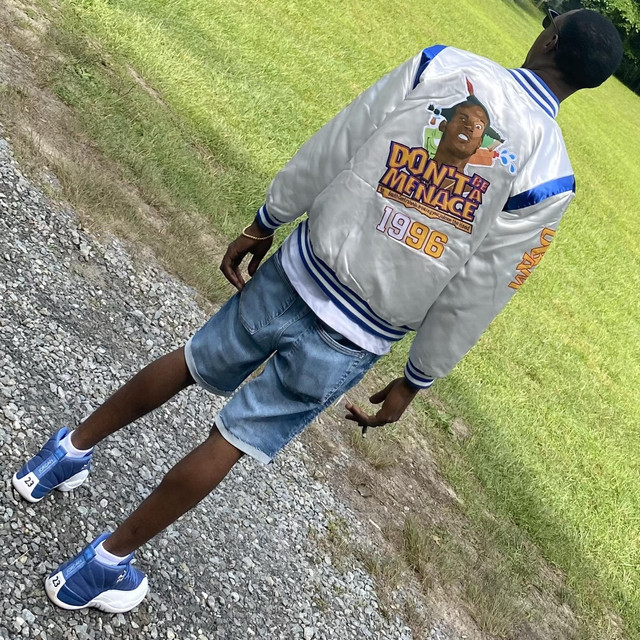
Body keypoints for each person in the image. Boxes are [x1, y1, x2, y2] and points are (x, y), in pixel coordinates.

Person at [12, 8, 622, 612]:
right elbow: (482, 291)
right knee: (234, 437)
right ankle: (100, 567)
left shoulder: (441, 66)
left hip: (303, 266)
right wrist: (417, 379)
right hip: (361, 331)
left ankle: (61, 456)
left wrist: (268, 217)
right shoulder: (552, 178)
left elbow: (341, 139)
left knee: (194, 360)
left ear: (549, 38)